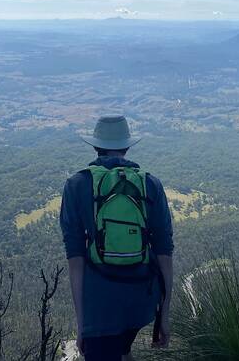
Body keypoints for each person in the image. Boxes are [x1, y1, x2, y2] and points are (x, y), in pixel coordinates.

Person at [59, 115, 174, 361]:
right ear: (127, 146)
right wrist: (164, 315)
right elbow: (164, 252)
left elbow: (75, 259)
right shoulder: (151, 184)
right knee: (123, 349)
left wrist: (82, 324)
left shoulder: (77, 185)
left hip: (100, 304)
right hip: (141, 300)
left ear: (95, 146)